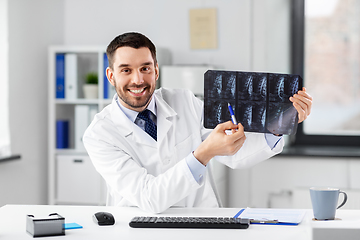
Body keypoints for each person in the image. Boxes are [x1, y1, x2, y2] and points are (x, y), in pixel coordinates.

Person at [83, 32, 312, 213]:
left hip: (200, 222)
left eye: (145, 68)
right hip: (139, 228)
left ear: (156, 71)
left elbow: (234, 153)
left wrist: (279, 126)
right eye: (126, 70)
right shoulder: (100, 133)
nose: (138, 79)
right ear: (111, 75)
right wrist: (202, 154)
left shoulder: (183, 100)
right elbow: (148, 197)